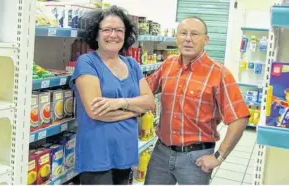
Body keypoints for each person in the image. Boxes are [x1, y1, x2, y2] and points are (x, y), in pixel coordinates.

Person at [144, 16, 250, 185]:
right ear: (176, 37)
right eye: (183, 33)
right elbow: (145, 90)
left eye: (194, 34)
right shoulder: (168, 65)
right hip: (161, 153)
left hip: (196, 159)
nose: (187, 39)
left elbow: (239, 118)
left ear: (206, 39)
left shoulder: (219, 73)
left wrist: (219, 157)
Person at [69, 5, 155, 185]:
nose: (113, 35)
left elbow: (149, 102)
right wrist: (135, 111)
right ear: (96, 34)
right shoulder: (87, 62)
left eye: (119, 30)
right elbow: (96, 112)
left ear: (126, 34)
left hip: (126, 150)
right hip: (97, 155)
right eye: (107, 30)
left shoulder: (132, 64)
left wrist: (118, 103)